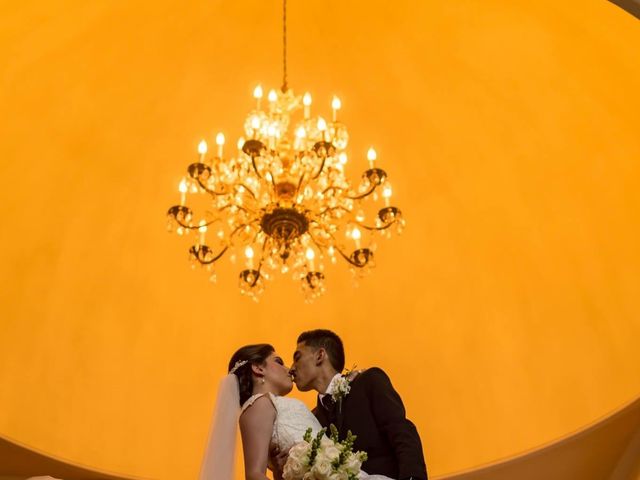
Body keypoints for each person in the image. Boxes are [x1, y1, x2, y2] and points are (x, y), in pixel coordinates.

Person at [198, 343, 392, 480]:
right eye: (279, 361)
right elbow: (254, 474)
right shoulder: (257, 404)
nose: (288, 369)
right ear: (258, 368)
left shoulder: (282, 405)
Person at [289, 329, 428, 480]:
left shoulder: (368, 382)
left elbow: (401, 431)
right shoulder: (313, 419)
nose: (291, 369)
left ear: (320, 356)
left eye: (297, 357)